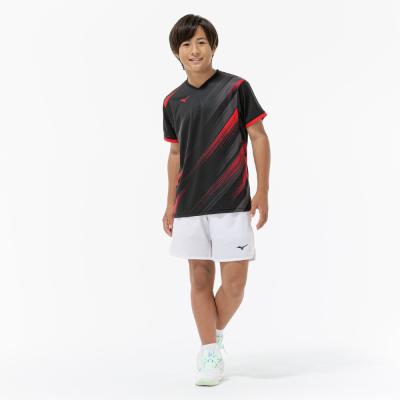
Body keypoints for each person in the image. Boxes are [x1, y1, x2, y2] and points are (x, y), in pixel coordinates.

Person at [162, 14, 271, 386]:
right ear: (177, 52)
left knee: (235, 286)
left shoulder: (236, 88)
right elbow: (175, 154)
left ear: (212, 46)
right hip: (190, 205)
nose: (194, 50)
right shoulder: (172, 101)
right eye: (186, 44)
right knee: (199, 280)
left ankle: (212, 334)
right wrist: (170, 203)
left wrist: (263, 190)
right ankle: (210, 351)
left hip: (233, 201)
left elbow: (259, 137)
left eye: (201, 42)